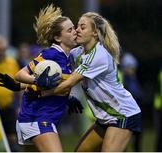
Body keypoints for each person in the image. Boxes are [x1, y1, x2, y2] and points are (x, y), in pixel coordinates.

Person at [41, 12, 142, 152]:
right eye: (77, 26)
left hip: (122, 115)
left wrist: (41, 93)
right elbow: (60, 65)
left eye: (82, 27)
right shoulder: (78, 53)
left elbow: (69, 82)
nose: (77, 30)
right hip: (105, 119)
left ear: (95, 33)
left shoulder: (98, 56)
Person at [0, 4, 83, 152]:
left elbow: (50, 83)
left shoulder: (66, 58)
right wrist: (35, 81)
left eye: (74, 28)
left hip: (38, 119)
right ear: (57, 37)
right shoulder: (51, 55)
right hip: (37, 119)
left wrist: (67, 97)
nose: (75, 32)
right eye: (70, 30)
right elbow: (20, 74)